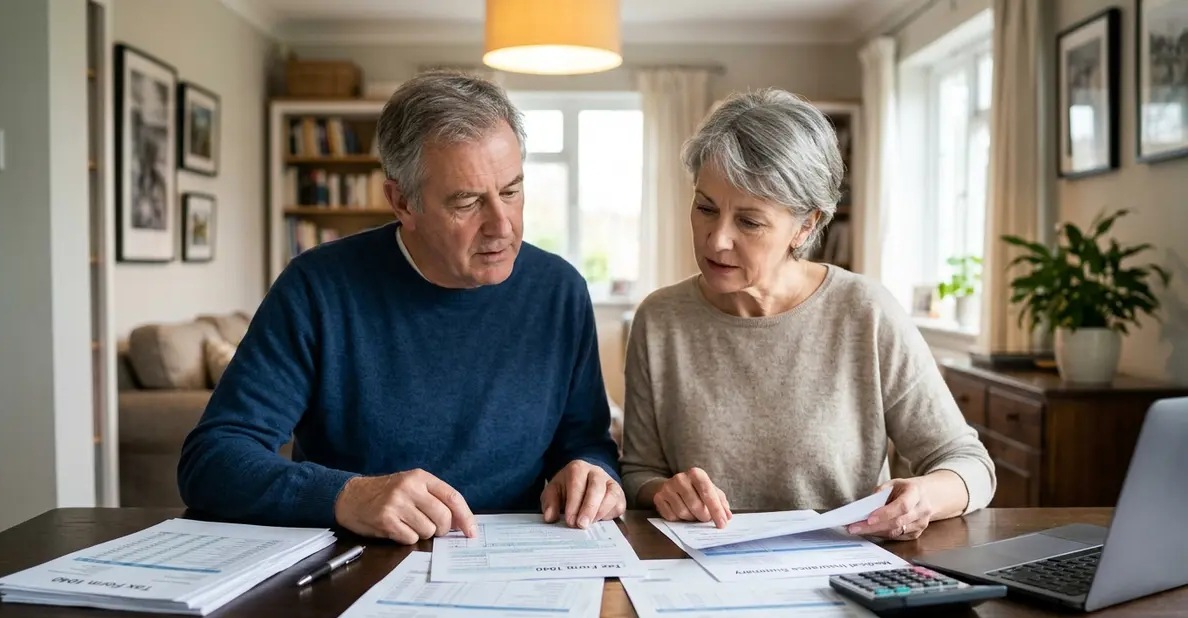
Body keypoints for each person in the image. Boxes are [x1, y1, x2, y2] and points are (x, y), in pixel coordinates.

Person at [178, 72, 625, 543]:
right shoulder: (317, 288)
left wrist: (593, 473)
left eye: (511, 191)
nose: (502, 225)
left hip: (521, 555)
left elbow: (586, 442)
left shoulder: (560, 291)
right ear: (402, 202)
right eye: (468, 201)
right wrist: (346, 494)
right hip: (358, 560)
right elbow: (213, 459)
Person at [619, 89, 996, 541]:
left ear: (806, 225)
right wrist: (666, 491)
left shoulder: (865, 312)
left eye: (749, 222)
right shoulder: (660, 319)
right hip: (699, 577)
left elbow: (968, 464)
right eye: (705, 208)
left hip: (842, 573)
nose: (716, 239)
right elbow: (638, 472)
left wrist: (924, 498)